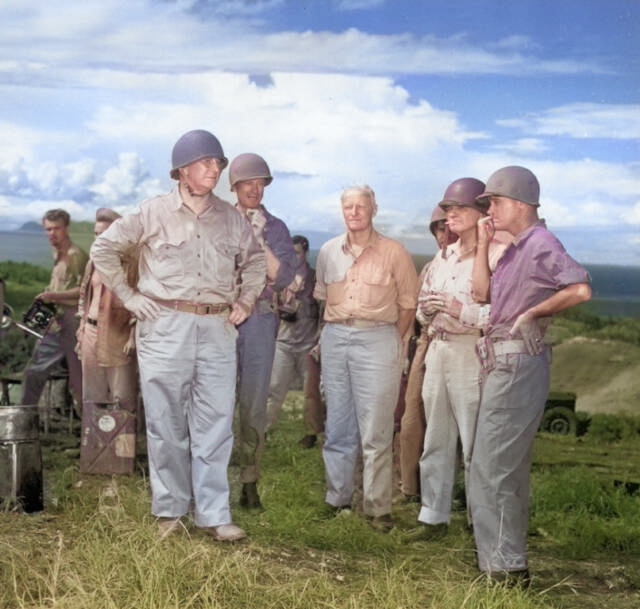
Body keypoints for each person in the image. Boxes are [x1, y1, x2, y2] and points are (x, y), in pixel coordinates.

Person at [91, 129, 267, 542]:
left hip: (218, 326)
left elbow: (255, 261)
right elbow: (104, 250)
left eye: (218, 163)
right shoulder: (153, 213)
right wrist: (131, 297)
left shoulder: (230, 217)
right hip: (165, 325)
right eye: (205, 162)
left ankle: (214, 513)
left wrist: (245, 299)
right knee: (165, 420)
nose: (214, 169)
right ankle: (169, 511)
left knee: (216, 421)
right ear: (181, 170)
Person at [469, 166, 591, 585]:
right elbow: (483, 295)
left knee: (490, 469)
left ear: (521, 204)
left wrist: (535, 312)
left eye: (496, 202)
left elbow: (579, 288)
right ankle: (508, 565)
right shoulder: (518, 248)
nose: (490, 209)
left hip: (516, 363)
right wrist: (485, 240)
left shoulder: (540, 242)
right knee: (505, 468)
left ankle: (501, 571)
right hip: (506, 363)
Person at [314, 185, 418, 530]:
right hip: (335, 337)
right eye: (348, 206)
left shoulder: (394, 253)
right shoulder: (328, 251)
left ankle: (377, 509)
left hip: (378, 339)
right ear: (341, 210)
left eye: (361, 206)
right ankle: (337, 498)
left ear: (374, 208)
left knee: (375, 428)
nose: (354, 212)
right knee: (338, 424)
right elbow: (320, 300)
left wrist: (392, 340)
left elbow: (408, 305)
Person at [415, 179, 507, 536]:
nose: (449, 213)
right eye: (447, 208)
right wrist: (426, 311)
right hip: (438, 349)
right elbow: (424, 311)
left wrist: (460, 309)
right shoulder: (443, 256)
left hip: (472, 352)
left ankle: (478, 522)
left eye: (458, 208)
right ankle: (432, 516)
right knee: (435, 437)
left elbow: (501, 317)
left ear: (480, 212)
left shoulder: (497, 256)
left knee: (475, 442)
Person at [231, 153, 297, 509]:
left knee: (254, 403)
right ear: (235, 186)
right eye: (248, 184)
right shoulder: (218, 220)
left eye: (261, 184)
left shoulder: (275, 228)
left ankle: (248, 479)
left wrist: (260, 242)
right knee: (212, 399)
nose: (255, 190)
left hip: (259, 318)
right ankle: (208, 477)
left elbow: (286, 277)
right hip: (220, 319)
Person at [396, 205, 456, 502]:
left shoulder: (476, 263)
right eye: (439, 229)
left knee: (451, 428)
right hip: (425, 345)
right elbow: (414, 310)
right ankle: (409, 488)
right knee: (411, 422)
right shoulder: (431, 267)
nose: (444, 235)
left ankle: (446, 493)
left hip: (459, 347)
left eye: (448, 228)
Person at [76, 208, 139, 432]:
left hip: (117, 333)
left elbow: (138, 302)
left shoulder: (132, 264)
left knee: (122, 393)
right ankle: (94, 450)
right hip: (91, 332)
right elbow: (85, 295)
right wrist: (82, 328)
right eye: (96, 234)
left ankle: (122, 451)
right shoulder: (93, 261)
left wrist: (133, 335)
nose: (99, 239)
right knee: (92, 391)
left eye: (105, 233)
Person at [22, 209, 88, 409]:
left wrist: (53, 296)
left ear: (66, 228)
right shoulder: (57, 253)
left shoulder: (75, 255)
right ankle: (23, 423)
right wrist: (47, 297)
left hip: (73, 322)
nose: (52, 233)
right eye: (48, 229)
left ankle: (91, 432)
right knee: (33, 373)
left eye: (56, 228)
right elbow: (59, 287)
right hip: (55, 322)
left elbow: (85, 291)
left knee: (79, 382)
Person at [266, 234, 320, 430]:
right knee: (274, 389)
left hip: (308, 344)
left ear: (305, 252)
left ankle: (311, 433)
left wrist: (318, 340)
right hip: (284, 342)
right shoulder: (278, 278)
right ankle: (264, 432)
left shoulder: (316, 279)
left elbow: (323, 311)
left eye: (296, 253)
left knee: (311, 393)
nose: (293, 257)